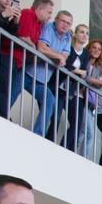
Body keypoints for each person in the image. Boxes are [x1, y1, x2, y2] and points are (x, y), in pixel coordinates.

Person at [31, 9, 73, 140]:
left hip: (43, 79)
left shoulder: (68, 37)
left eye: (68, 23)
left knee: (49, 101)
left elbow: (64, 58)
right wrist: (57, 55)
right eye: (63, 21)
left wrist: (52, 53)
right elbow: (41, 48)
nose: (65, 25)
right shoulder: (49, 27)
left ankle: (38, 134)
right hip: (29, 71)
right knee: (8, 93)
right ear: (56, 20)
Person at [59, 23, 92, 154]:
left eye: (87, 33)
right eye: (82, 32)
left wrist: (77, 72)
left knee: (76, 124)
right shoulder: (69, 48)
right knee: (55, 116)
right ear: (76, 34)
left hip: (74, 91)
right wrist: (78, 71)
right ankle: (60, 148)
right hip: (61, 86)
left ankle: (69, 151)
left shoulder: (85, 55)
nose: (84, 35)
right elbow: (65, 65)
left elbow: (85, 73)